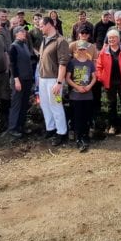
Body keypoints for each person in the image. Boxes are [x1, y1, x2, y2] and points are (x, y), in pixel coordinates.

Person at [37, 16, 71, 146]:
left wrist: (59, 82)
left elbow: (63, 64)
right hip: (43, 79)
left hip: (54, 80)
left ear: (48, 25)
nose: (40, 28)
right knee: (45, 105)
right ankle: (50, 128)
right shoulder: (44, 40)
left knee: (56, 105)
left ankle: (61, 132)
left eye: (41, 26)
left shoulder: (60, 41)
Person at [96, 28, 121, 134]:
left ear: (118, 39)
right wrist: (101, 77)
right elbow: (98, 66)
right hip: (109, 82)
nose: (111, 40)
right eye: (110, 38)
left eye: (114, 37)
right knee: (111, 104)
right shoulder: (104, 51)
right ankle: (113, 126)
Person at [66, 41, 96, 151]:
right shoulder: (72, 63)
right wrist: (77, 87)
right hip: (76, 95)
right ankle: (78, 138)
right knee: (77, 117)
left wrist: (89, 86)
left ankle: (85, 136)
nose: (82, 51)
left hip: (87, 94)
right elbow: (68, 78)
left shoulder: (90, 63)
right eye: (80, 49)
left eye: (83, 49)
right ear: (76, 50)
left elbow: (94, 77)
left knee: (86, 116)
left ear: (86, 50)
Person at [8, 25, 35, 138]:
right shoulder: (13, 47)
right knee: (17, 104)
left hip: (27, 78)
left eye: (24, 32)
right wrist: (16, 80)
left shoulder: (24, 45)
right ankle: (13, 128)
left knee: (24, 104)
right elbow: (13, 65)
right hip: (19, 80)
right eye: (22, 32)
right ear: (16, 34)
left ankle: (21, 126)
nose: (24, 33)